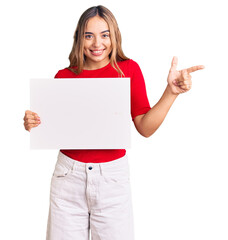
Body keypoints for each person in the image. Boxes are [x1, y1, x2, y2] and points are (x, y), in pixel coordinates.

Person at [23, 5, 204, 240]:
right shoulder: (64, 76)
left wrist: (171, 93)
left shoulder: (127, 70)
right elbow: (49, 126)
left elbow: (145, 128)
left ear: (114, 36)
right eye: (89, 35)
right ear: (79, 39)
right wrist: (32, 122)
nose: (97, 43)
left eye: (104, 35)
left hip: (111, 178)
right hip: (67, 177)